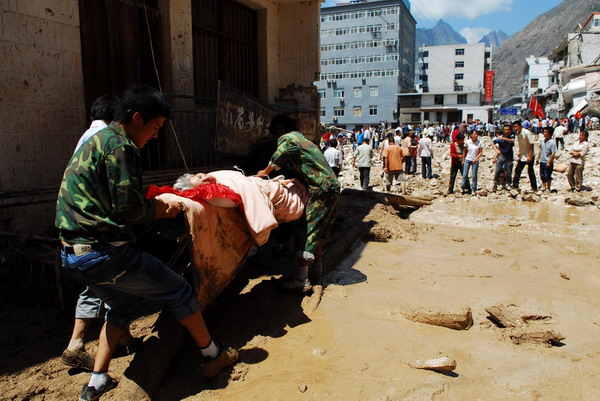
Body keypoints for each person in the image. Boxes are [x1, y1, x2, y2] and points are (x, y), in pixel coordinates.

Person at [56, 86, 238, 401]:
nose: (155, 135)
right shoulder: (120, 147)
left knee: (123, 304)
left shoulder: (95, 141)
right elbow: (128, 208)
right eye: (154, 128)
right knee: (179, 290)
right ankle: (211, 355)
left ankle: (97, 381)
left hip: (70, 255)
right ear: (137, 118)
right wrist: (160, 207)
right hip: (102, 254)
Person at [62, 94, 137, 372]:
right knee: (114, 283)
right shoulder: (106, 140)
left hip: (77, 228)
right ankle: (97, 359)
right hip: (95, 228)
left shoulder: (86, 137)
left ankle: (80, 343)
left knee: (95, 284)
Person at [257, 114, 340, 294]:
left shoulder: (289, 138)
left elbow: (277, 157)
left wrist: (263, 173)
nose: (276, 140)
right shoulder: (305, 140)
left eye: (275, 136)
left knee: (306, 230)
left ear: (279, 131)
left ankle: (302, 280)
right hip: (332, 187)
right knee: (319, 230)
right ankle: (318, 270)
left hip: (320, 189)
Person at [512, 120, 538, 191]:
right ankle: (515, 185)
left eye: (516, 126)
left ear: (520, 126)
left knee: (530, 171)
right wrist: (520, 152)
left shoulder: (526, 133)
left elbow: (531, 144)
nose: (515, 128)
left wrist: (530, 155)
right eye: (514, 127)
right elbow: (521, 144)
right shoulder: (518, 133)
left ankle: (534, 187)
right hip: (523, 155)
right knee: (518, 169)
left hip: (529, 155)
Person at [492, 124, 515, 191]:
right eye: (505, 130)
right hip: (501, 156)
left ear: (510, 130)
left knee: (509, 171)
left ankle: (508, 184)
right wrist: (496, 150)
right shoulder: (499, 138)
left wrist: (504, 138)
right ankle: (495, 183)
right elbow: (493, 143)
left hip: (509, 156)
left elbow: (512, 141)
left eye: (508, 130)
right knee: (498, 170)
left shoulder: (512, 137)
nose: (506, 131)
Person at [461, 130, 483, 194]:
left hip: (475, 160)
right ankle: (463, 187)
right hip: (467, 159)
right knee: (465, 175)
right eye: (474, 134)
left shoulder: (480, 143)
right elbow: (464, 151)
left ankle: (474, 189)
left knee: (474, 175)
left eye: (476, 134)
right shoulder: (468, 142)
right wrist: (463, 159)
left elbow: (481, 152)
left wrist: (476, 158)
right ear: (471, 135)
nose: (476, 135)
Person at [537, 127, 557, 192]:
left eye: (545, 132)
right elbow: (540, 150)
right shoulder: (543, 141)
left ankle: (548, 188)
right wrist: (538, 158)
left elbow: (553, 153)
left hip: (548, 161)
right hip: (542, 161)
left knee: (548, 175)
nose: (544, 133)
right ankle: (544, 186)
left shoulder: (552, 143)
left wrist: (549, 161)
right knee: (542, 174)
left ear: (549, 134)